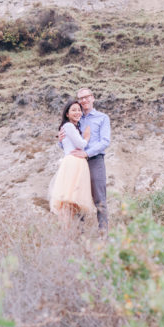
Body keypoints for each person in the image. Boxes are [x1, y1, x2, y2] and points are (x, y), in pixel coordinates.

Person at [57, 87, 110, 231]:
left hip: (94, 160)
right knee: (76, 198)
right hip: (76, 163)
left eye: (87, 97)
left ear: (93, 98)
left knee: (99, 198)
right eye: (81, 98)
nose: (84, 100)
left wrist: (87, 153)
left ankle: (103, 233)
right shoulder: (76, 118)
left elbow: (105, 141)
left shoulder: (102, 118)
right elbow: (67, 142)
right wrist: (60, 140)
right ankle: (79, 235)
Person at [49, 100, 95, 225]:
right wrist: (86, 137)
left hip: (78, 163)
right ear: (67, 114)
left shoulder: (73, 127)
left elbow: (66, 145)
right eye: (73, 110)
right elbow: (80, 145)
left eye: (79, 110)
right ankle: (65, 233)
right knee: (68, 200)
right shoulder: (69, 126)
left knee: (73, 202)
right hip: (73, 164)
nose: (77, 112)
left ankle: (70, 233)